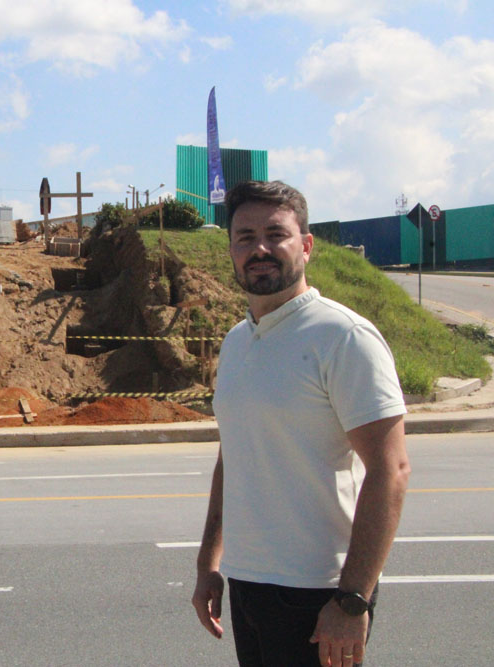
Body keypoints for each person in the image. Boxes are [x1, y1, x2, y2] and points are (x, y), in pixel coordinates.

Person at [191, 180, 411, 667]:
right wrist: (210, 561)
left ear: (306, 246)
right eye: (245, 237)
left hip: (320, 592)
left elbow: (391, 470)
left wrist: (353, 600)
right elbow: (234, 453)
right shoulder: (237, 341)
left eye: (276, 234)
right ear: (231, 250)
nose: (260, 248)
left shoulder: (343, 336)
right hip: (249, 582)